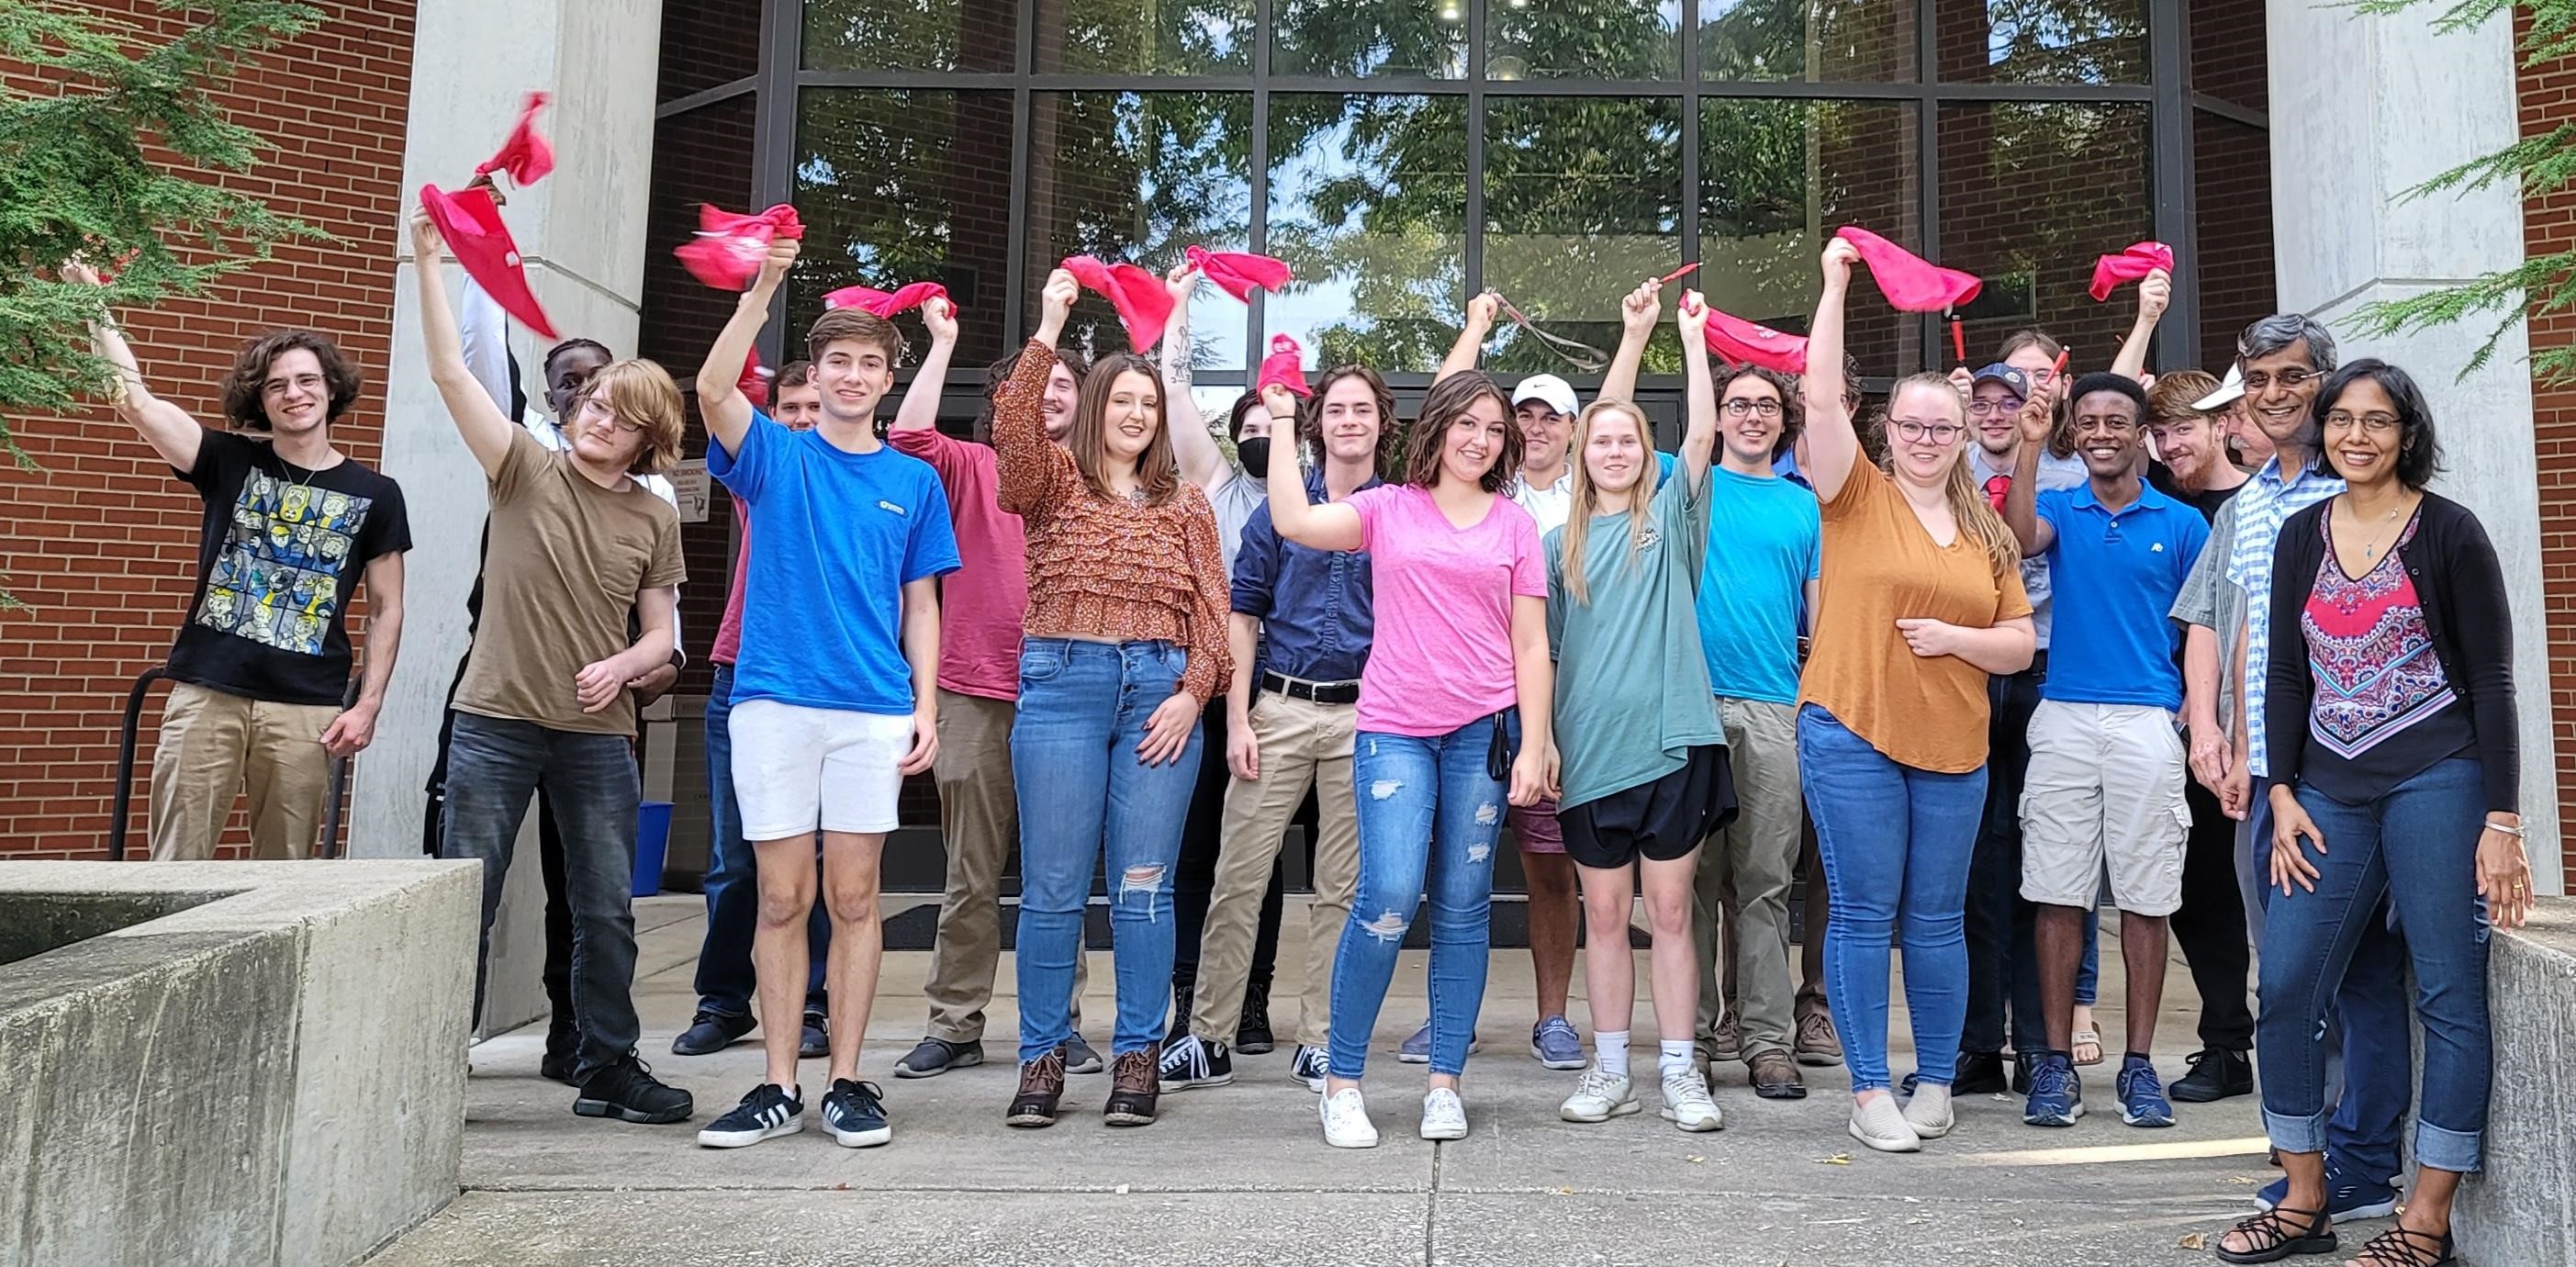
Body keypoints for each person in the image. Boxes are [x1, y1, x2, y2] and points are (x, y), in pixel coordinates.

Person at [2213, 360, 2531, 1267]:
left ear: (2406, 434)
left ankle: (2424, 1221)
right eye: (2343, 420)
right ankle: (2305, 1200)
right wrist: (2277, 793)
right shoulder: (2299, 534)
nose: (2357, 436)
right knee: (2285, 987)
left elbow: (2494, 684)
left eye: (2378, 422)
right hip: (2325, 792)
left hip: (2440, 779)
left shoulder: (2450, 533)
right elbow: (2281, 671)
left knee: (2447, 996)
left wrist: (2499, 823)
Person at [409, 205, 691, 1127]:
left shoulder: (651, 517)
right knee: (466, 902)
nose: (596, 415)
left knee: (606, 910)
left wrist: (625, 667)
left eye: (617, 413)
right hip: (492, 722)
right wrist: (430, 264)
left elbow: (661, 634)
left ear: (647, 438)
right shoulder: (523, 468)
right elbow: (452, 373)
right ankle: (421, 1066)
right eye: (593, 401)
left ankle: (608, 1066)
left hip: (597, 737)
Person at [688, 237, 960, 1149]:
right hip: (773, 702)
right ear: (818, 372)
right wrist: (764, 284)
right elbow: (711, 391)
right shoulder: (775, 455)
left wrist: (925, 706)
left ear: (889, 377)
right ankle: (775, 1085)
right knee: (777, 896)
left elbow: (921, 604)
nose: (850, 375)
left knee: (854, 898)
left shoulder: (913, 481)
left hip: (873, 710)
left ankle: (846, 1079)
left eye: (867, 362)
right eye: (836, 360)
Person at [1265, 369, 1554, 1149]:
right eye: (1467, 424)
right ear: (1438, 427)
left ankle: (1444, 1084)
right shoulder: (1387, 508)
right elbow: (1291, 519)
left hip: (1483, 734)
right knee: (1388, 896)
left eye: (1494, 430)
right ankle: (1342, 1082)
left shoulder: (1515, 526)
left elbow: (1532, 643)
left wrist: (1538, 741)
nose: (1480, 440)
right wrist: (1287, 421)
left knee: (1463, 911)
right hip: (1394, 728)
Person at [1797, 237, 2034, 1154]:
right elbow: (1817, 396)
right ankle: (1867, 1091)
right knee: (1862, 911)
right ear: (1885, 430)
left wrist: (1953, 640)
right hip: (1851, 727)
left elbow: (2016, 646)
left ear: (1966, 432)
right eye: (1912, 425)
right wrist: (1834, 284)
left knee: (1937, 920)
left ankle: (1933, 1082)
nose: (1927, 438)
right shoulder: (1853, 494)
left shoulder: (1984, 529)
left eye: (1944, 426)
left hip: (1954, 746)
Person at [71, 262, 410, 863]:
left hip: (305, 705)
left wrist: (369, 703)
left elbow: (387, 608)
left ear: (332, 390)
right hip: (208, 691)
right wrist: (92, 304)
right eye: (277, 385)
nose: (294, 394)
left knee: (283, 884)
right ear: (261, 399)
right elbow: (134, 400)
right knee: (173, 870)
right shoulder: (227, 461)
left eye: (307, 381)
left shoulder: (376, 494)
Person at [997, 269, 1232, 1130]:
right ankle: (1042, 1060)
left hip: (1158, 700)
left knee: (1143, 888)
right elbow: (1014, 436)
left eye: (1149, 403)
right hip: (1063, 686)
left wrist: (1191, 694)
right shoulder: (1052, 483)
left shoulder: (1188, 504)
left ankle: (1138, 1057)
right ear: (1096, 405)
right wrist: (1051, 320)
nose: (1137, 414)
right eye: (1122, 400)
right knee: (1054, 890)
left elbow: (1216, 614)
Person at [2198, 316, 2415, 1222]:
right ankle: (2311, 1158)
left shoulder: (2358, 490)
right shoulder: (2246, 504)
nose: (2275, 393)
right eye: (2259, 378)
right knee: (2287, 979)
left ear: (2325, 383)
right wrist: (2219, 738)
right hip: (2264, 782)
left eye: (2293, 377)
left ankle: (2362, 1164)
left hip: (2344, 779)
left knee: (2356, 979)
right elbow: (2237, 628)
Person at [1431, 282, 1661, 1071]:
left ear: (1575, 430)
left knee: (1550, 868)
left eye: (1550, 416)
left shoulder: (1591, 499)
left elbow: (1618, 412)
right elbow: (1444, 404)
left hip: (1554, 705)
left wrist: (1634, 336)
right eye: (1521, 414)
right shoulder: (1482, 486)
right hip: (1460, 695)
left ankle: (1553, 1018)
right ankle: (1450, 1022)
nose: (1533, 427)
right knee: (1451, 868)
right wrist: (1475, 329)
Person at [1159, 363, 1394, 1095]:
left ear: (1382, 423)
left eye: (1363, 410)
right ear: (1317, 423)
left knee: (1342, 889)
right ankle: (1208, 1036)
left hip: (1367, 714)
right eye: (1337, 410)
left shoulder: (1400, 511)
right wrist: (1238, 718)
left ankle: (1321, 1039)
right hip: (1280, 710)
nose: (1349, 421)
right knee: (1239, 877)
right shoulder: (1274, 511)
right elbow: (1243, 615)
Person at [889, 317, 1104, 1081]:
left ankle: (1059, 1024)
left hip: (1067, 695)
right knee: (969, 873)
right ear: (1005, 397)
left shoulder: (1093, 478)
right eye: (1033, 382)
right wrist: (943, 343)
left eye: (1064, 384)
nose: (1050, 394)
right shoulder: (973, 465)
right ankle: (954, 1023)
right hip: (973, 690)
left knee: (1059, 873)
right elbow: (909, 437)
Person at [1999, 373, 2210, 1130]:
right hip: (2063, 712)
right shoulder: (2059, 505)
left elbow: (2206, 627)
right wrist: (2028, 442)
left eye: (2116, 420)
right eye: (2086, 421)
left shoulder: (2183, 523)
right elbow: (2018, 539)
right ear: (2074, 431)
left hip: (2147, 719)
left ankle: (2139, 1066)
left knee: (2148, 897)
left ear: (2142, 431)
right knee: (2058, 891)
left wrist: (2197, 710)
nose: (2101, 433)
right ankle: (2054, 1065)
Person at [1550, 297, 1732, 1133]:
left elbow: (1702, 437)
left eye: (1628, 440)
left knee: (1668, 915)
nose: (1615, 450)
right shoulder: (1560, 547)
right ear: (1583, 455)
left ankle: (1679, 1071)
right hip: (1590, 755)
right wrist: (1543, 743)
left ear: (1646, 456)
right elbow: (1545, 658)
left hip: (1673, 748)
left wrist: (1689, 341)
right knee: (1603, 917)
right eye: (1601, 440)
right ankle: (1610, 1067)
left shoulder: (1671, 519)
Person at [678, 357, 838, 1063]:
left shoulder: (866, 474)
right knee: (733, 857)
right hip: (742, 676)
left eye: (814, 405)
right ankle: (723, 1001)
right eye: (790, 408)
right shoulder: (764, 470)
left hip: (834, 687)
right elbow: (720, 397)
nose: (802, 419)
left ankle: (810, 1001)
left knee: (824, 858)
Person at [1952, 351, 2097, 1091]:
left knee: (2045, 856)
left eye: (2009, 402)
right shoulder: (1944, 471)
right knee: (1977, 859)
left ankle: (2044, 1041)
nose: (1996, 414)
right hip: (1969, 670)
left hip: (2045, 667)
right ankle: (1977, 1043)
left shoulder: (2069, 481)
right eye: (1982, 403)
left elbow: (2024, 543)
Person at [1160, 269, 1292, 1053]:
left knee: (1261, 855)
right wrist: (1178, 308)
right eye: (1246, 425)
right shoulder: (1212, 484)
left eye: (1271, 426)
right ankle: (1191, 1001)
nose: (1257, 438)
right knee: (1195, 852)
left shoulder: (1304, 499)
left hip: (1280, 697)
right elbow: (1176, 396)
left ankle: (1251, 1001)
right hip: (1205, 688)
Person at [1686, 352, 1822, 1102]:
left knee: (1766, 885)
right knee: (1695, 887)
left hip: (1775, 710)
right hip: (1692, 708)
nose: (1751, 416)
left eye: (1765, 405)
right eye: (1737, 404)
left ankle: (1769, 1043)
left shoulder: (1804, 506)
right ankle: (1697, 1040)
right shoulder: (1689, 484)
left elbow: (1821, 616)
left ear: (1783, 420)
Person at [2143, 369, 2258, 1104]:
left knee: (2258, 893)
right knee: (2195, 890)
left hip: (2250, 732)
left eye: (2182, 427)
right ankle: (2226, 1044)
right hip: (2178, 731)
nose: (2167, 444)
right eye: (2160, 432)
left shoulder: (2259, 505)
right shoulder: (2158, 508)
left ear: (2221, 424)